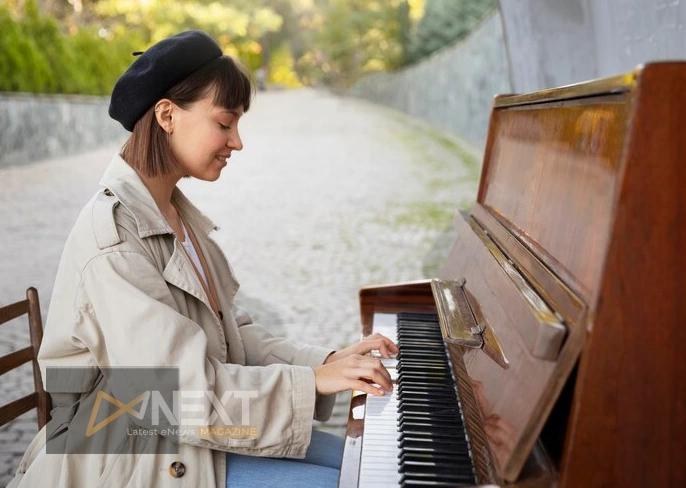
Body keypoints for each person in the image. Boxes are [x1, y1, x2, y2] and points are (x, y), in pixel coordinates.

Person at [8, 30, 397, 488]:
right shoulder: (112, 239)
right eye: (224, 123)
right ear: (167, 115)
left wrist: (329, 361)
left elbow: (234, 335)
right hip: (125, 449)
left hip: (184, 431)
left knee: (373, 463)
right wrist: (312, 382)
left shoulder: (177, 216)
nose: (237, 142)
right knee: (356, 481)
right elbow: (176, 396)